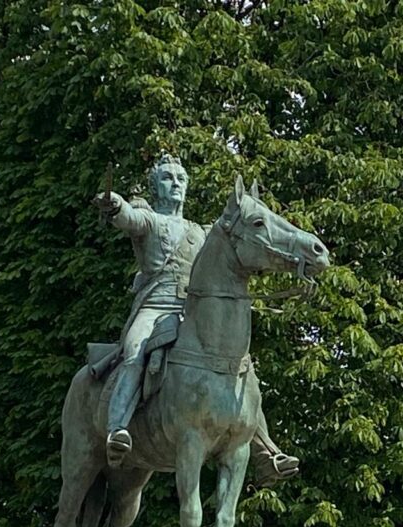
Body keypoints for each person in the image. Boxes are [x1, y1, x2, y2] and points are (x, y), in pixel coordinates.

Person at [93, 154, 299, 485]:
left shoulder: (200, 231)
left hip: (192, 313)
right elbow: (128, 217)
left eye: (180, 178)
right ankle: (118, 429)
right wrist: (115, 204)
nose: (175, 183)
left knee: (241, 367)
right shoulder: (150, 220)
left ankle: (265, 450)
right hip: (155, 308)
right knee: (134, 353)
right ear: (155, 186)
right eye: (167, 178)